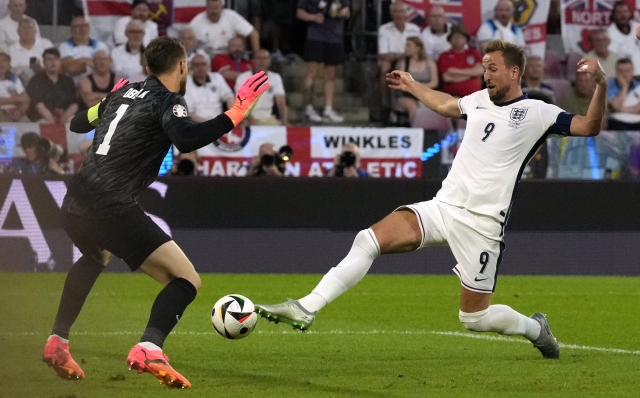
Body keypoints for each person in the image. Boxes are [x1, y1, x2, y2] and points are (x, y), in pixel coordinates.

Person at [255, 40, 607, 361]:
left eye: (493, 68)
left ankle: (535, 329)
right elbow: (447, 104)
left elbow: (589, 126)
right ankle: (307, 306)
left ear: (514, 72)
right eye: (484, 67)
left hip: (482, 226)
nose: (486, 75)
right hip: (443, 207)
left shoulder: (538, 112)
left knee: (474, 318)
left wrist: (601, 86)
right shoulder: (479, 100)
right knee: (368, 239)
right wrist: (411, 84)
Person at [41, 36, 269, 388]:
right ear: (181, 66)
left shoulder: (120, 94)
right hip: (110, 205)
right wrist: (237, 111)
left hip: (74, 203)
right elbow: (186, 139)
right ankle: (149, 348)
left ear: (147, 66)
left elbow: (76, 125)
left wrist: (105, 101)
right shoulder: (167, 100)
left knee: (95, 256)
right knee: (186, 280)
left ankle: (58, 341)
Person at [298, 0, 351, 123]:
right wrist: (313, 17)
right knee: (312, 72)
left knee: (331, 74)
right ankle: (308, 108)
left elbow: (347, 11)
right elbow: (300, 12)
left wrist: (342, 13)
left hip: (334, 37)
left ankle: (328, 108)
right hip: (316, 36)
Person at [377, 2, 420, 111]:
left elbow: (418, 51)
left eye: (401, 11)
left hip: (412, 61)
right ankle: (386, 103)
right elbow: (383, 55)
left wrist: (397, 55)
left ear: (406, 13)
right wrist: (404, 54)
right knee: (385, 67)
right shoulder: (384, 29)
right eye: (395, 11)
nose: (398, 14)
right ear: (391, 13)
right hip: (393, 63)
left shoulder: (415, 29)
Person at [235, 49, 288, 125]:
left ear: (269, 62)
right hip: (248, 119)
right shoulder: (242, 78)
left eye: (265, 58)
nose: (261, 61)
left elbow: (281, 102)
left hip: (268, 118)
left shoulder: (275, 77)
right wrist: (253, 122)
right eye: (258, 58)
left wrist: (284, 121)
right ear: (253, 61)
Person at [189, 0, 260, 57]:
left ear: (222, 8)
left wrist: (256, 57)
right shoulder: (197, 21)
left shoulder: (231, 16)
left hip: (229, 57)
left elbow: (254, 34)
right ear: (206, 8)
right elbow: (186, 40)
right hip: (205, 58)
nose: (214, 12)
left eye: (216, 8)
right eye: (211, 8)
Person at [26, 48, 78, 123]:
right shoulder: (36, 80)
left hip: (64, 116)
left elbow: (74, 103)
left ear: (60, 62)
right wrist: (51, 119)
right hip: (43, 117)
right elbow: (38, 104)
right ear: (44, 62)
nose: (53, 62)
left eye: (56, 59)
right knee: (44, 122)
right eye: (49, 59)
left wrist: (65, 116)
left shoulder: (67, 80)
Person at [393, 36, 438, 123]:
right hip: (406, 95)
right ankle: (416, 132)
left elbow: (434, 82)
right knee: (412, 106)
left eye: (409, 45)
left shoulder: (429, 63)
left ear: (418, 48)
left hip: (425, 94)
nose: (406, 48)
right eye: (406, 45)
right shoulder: (403, 64)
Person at [184, 53, 234, 123]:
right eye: (196, 65)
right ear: (191, 67)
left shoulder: (217, 77)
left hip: (220, 122)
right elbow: (189, 114)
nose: (200, 67)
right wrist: (211, 125)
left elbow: (230, 98)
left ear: (208, 66)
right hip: (198, 125)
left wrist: (231, 117)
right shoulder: (186, 84)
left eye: (203, 64)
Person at [59, 15, 109, 82]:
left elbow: (107, 67)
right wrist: (93, 64)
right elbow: (70, 69)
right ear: (71, 30)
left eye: (85, 26)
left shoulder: (101, 45)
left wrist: (81, 61)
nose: (82, 29)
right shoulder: (64, 46)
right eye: (78, 26)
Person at [438, 24, 483, 98]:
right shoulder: (444, 56)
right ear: (450, 40)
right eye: (455, 37)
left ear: (466, 39)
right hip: (453, 95)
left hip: (475, 95)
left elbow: (481, 70)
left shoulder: (474, 53)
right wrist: (472, 74)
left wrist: (458, 71)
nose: (458, 39)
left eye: (461, 37)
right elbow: (447, 78)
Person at [8, 16, 52, 84]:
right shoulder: (10, 50)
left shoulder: (46, 44)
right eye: (24, 28)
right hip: (19, 85)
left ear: (35, 31)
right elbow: (8, 70)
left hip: (45, 83)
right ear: (18, 32)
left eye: (30, 28)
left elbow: (57, 66)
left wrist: (41, 69)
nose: (27, 31)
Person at [607, 1, 640, 75]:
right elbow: (613, 59)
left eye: (625, 11)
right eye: (619, 12)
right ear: (613, 15)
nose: (623, 15)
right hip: (623, 75)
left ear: (630, 13)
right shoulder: (609, 34)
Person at [0, 49, 28, 121]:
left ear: (8, 64)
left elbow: (26, 98)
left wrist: (20, 112)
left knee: (26, 122)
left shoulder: (13, 77)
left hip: (13, 110)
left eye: (4, 60)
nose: (1, 63)